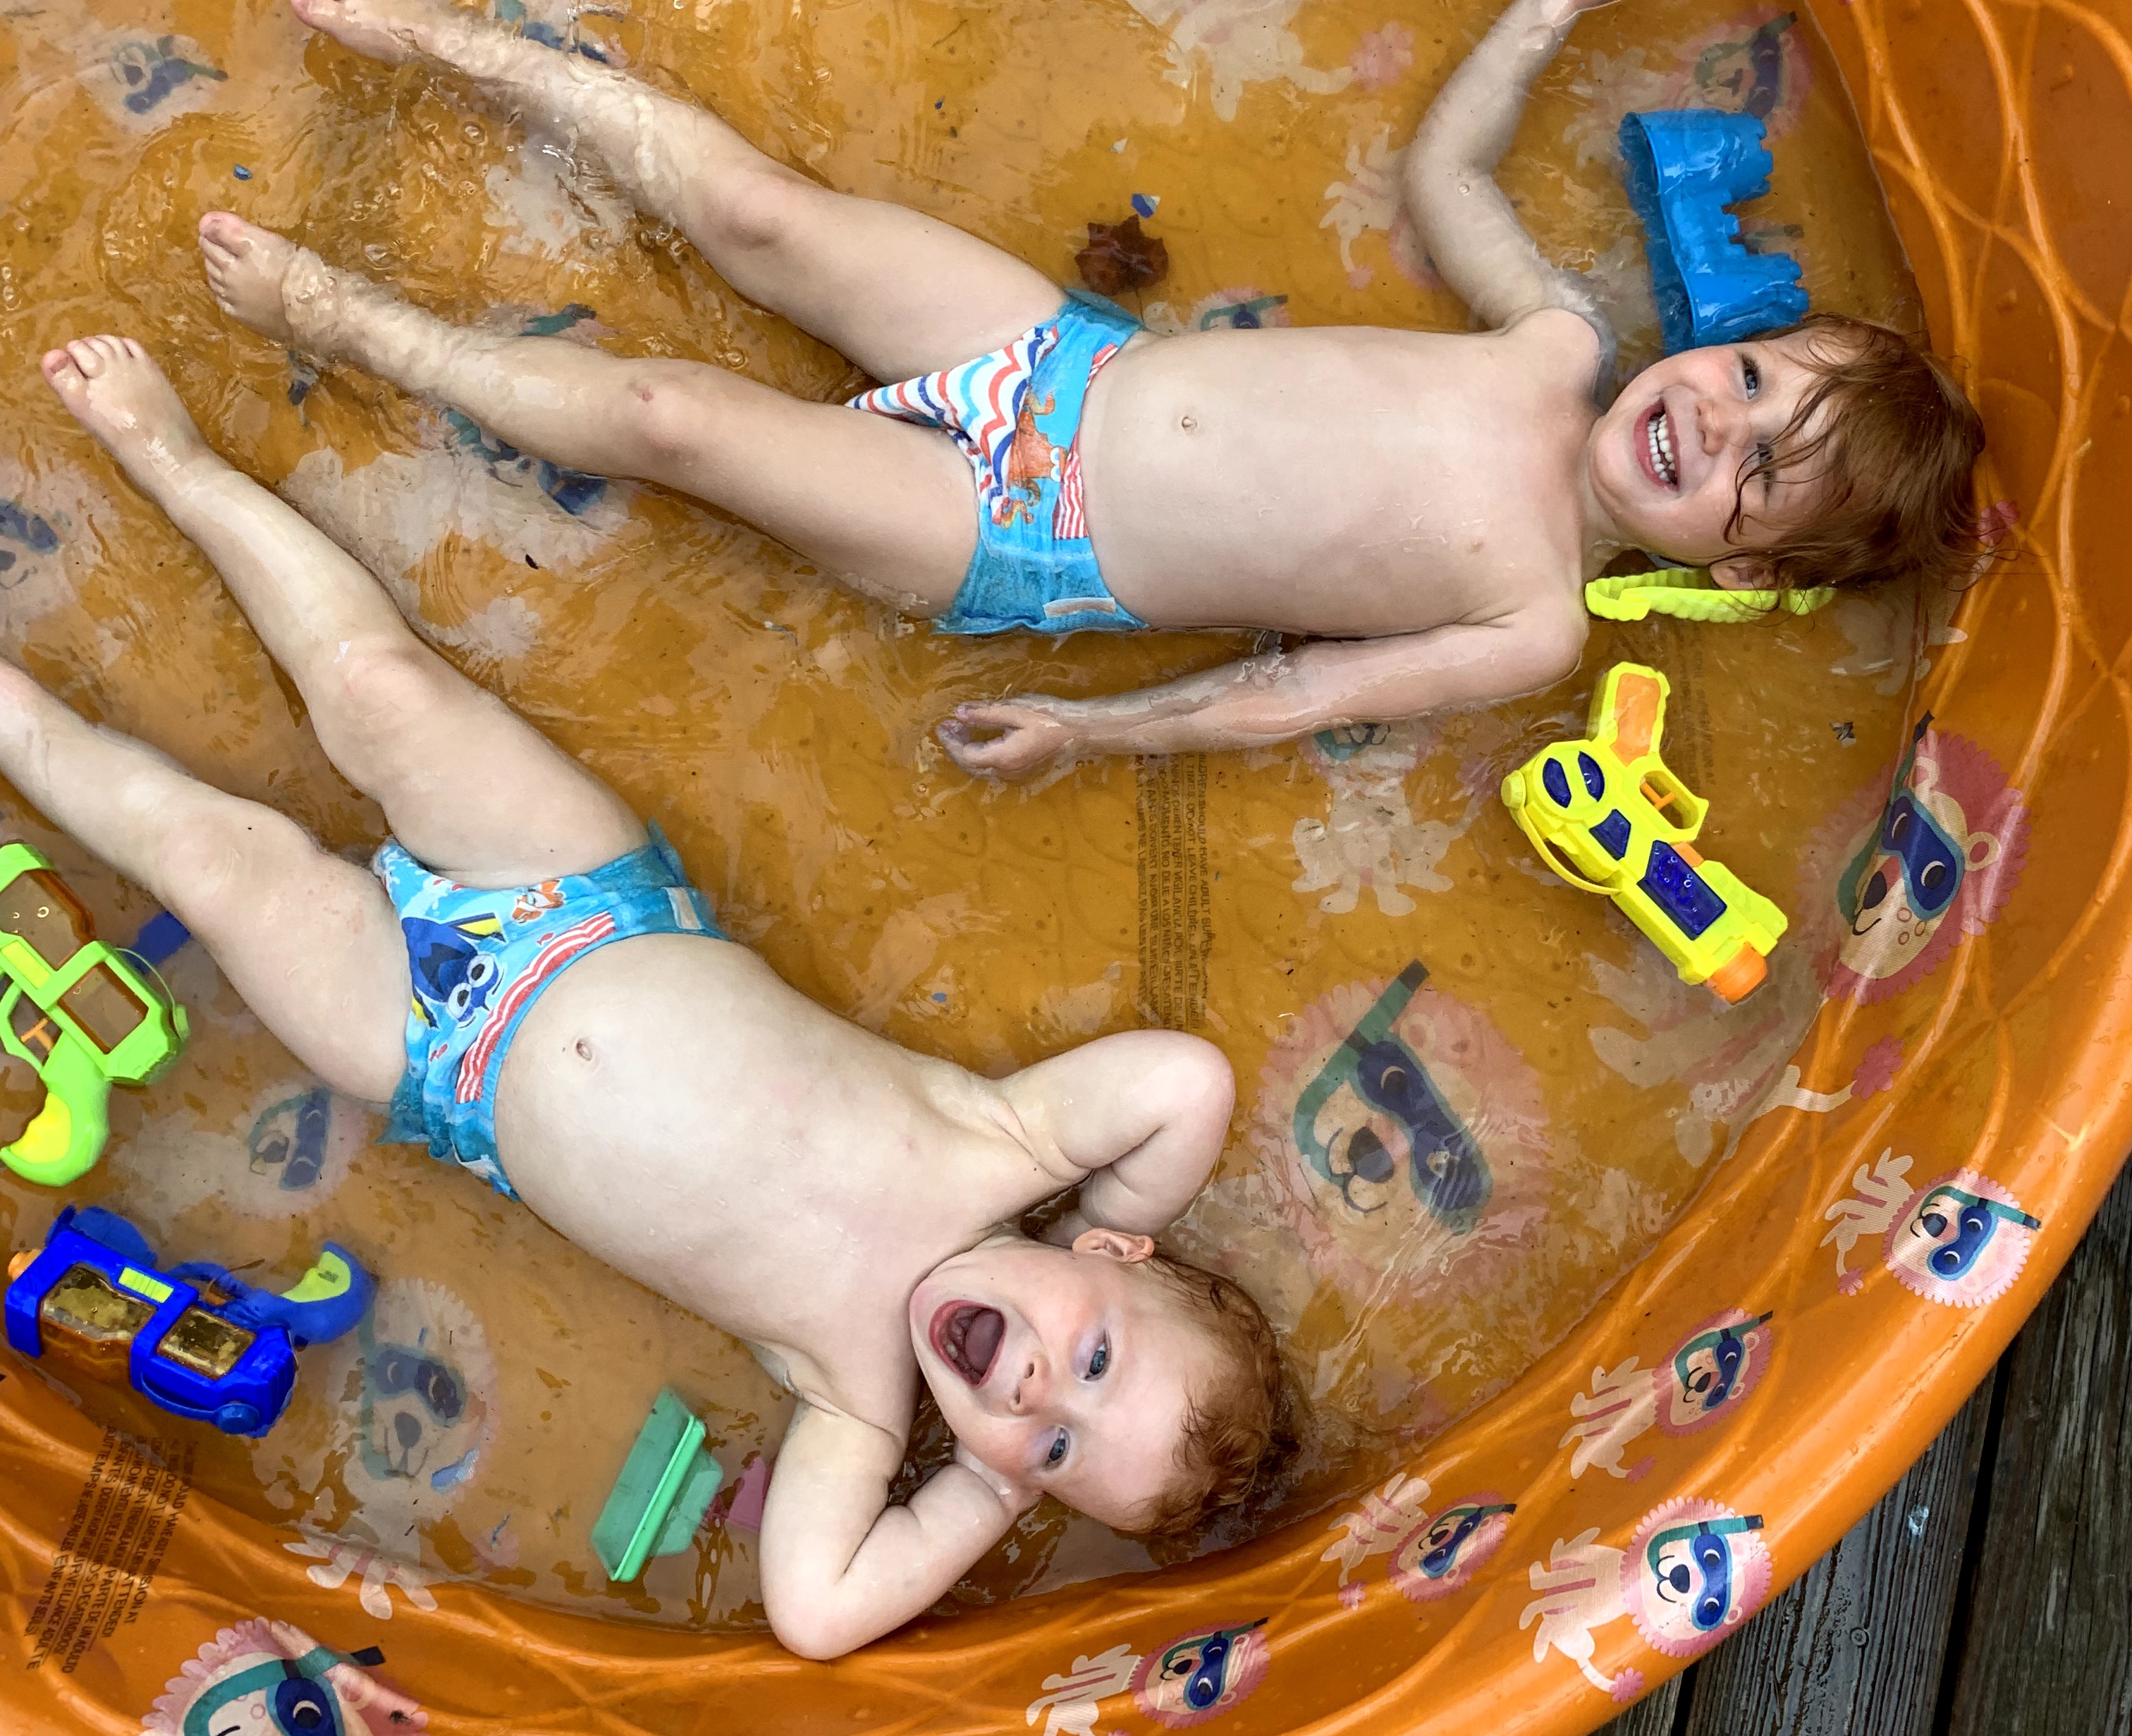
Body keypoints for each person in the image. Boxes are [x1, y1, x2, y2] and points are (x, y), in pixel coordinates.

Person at [18, 334, 1287, 1657]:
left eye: (1057, 1446)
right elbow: (1184, 1083)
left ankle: (16, 725)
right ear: (1113, 1263)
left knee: (214, 866)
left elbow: (819, 1612)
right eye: (1095, 1358)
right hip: (578, 892)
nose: (1030, 1387)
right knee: (374, 684)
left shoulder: (855, 1389)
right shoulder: (1002, 1143)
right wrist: (1096, 1219)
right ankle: (173, 459)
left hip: (436, 1057)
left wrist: (984, 1485)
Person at [195, 0, 1983, 779]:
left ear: (1745, 573)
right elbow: (1450, 170)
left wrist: (1097, 734)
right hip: (1067, 363)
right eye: (1758, 380)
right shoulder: (1559, 347)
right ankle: (453, 42)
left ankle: (353, 322)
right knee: (763, 218)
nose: (1718, 422)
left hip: (1023, 541)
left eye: (1761, 476)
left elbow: (1302, 694)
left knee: (676, 424)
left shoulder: (1531, 622)